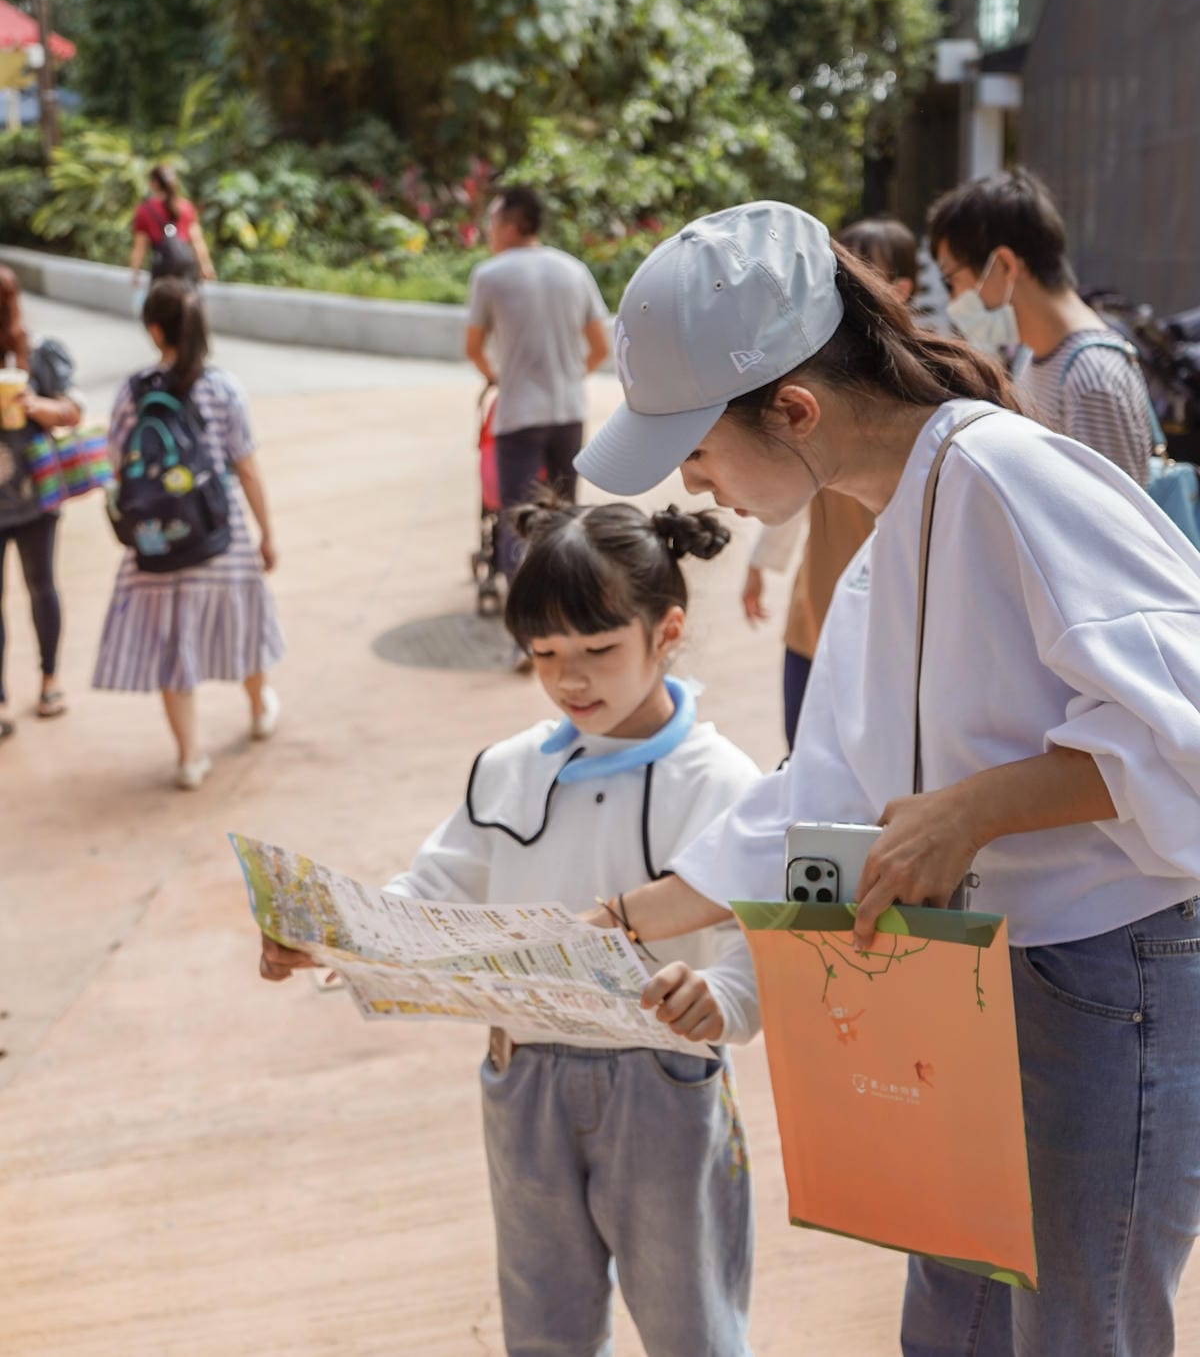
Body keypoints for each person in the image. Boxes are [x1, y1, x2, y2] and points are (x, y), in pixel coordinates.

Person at [575, 200, 1200, 1356]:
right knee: (952, 1322)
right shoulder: (901, 518)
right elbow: (830, 792)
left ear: (794, 410)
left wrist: (977, 811)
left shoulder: (1007, 475)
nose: (696, 486)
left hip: (1100, 976)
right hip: (968, 976)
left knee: (1079, 1323)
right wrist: (630, 919)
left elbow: (1185, 721)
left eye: (698, 450)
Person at [259, 496, 761, 1357]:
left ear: (666, 630)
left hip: (663, 1087)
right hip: (521, 1076)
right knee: (544, 1324)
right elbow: (433, 889)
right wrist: (333, 935)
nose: (572, 680)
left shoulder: (720, 783)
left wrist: (718, 996)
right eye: (546, 654)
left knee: (692, 1326)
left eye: (600, 650)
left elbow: (758, 938)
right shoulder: (507, 771)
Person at [93, 279, 283, 790]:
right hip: (221, 538)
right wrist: (267, 534)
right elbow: (247, 469)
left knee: (172, 645)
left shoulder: (131, 392)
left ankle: (189, 756)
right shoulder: (222, 388)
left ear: (156, 331)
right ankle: (259, 706)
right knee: (243, 623)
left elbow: (117, 464)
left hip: (157, 543)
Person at [741, 218, 916, 743]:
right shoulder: (813, 367)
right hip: (817, 602)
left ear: (900, 287)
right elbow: (793, 476)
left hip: (893, 615)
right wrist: (759, 564)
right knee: (803, 756)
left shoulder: (920, 383)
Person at [930, 166, 1154, 483]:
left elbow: (1113, 526)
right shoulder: (1032, 353)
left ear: (1004, 265)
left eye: (950, 281)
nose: (953, 302)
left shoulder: (1092, 377)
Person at [464, 186, 609, 582]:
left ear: (511, 225)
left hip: (518, 416)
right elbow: (601, 346)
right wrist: (570, 376)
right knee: (562, 517)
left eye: (492, 222)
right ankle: (562, 597)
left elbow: (473, 347)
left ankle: (524, 615)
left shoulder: (489, 275)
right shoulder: (574, 270)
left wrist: (497, 377)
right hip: (568, 412)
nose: (489, 231)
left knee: (518, 520)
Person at [0, 267, 82, 739]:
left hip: (36, 495)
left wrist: (37, 407)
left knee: (41, 586)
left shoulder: (40, 353)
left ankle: (49, 680)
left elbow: (72, 411)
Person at [130, 165, 216, 304]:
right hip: (185, 264)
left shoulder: (144, 210)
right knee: (188, 304)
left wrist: (135, 273)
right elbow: (197, 241)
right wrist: (205, 266)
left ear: (154, 184)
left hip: (162, 268)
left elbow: (139, 248)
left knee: (162, 308)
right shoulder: (186, 206)